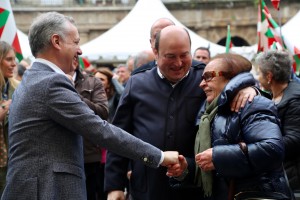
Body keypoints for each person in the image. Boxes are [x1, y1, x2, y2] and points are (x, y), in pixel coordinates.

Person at [1, 12, 180, 200]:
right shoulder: (50, 83)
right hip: (47, 191)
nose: (80, 51)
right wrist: (159, 156)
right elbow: (100, 130)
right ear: (56, 41)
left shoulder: (32, 78)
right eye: (76, 42)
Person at [105, 26, 258, 200]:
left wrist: (249, 88)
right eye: (170, 56)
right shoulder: (136, 84)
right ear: (156, 52)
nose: (178, 63)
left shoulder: (205, 77)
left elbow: (239, 78)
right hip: (148, 188)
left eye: (184, 55)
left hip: (196, 188)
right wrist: (114, 186)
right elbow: (118, 137)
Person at [193, 53, 292, 200]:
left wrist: (218, 156)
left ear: (231, 77)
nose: (202, 83)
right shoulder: (210, 110)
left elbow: (272, 149)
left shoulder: (251, 103)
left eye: (208, 76)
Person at [255, 50, 300, 193]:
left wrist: (258, 148)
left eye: (259, 73)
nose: (257, 77)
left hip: (293, 177)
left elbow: (294, 139)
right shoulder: (272, 96)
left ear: (269, 76)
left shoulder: (295, 100)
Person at [68, 58, 109, 200]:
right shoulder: (50, 80)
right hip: (61, 155)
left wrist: (75, 96)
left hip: (89, 155)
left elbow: (103, 112)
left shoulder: (92, 82)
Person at [0, 41, 19, 195]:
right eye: (9, 59)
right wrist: (6, 107)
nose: (14, 64)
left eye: (14, 60)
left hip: (13, 162)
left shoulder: (17, 88)